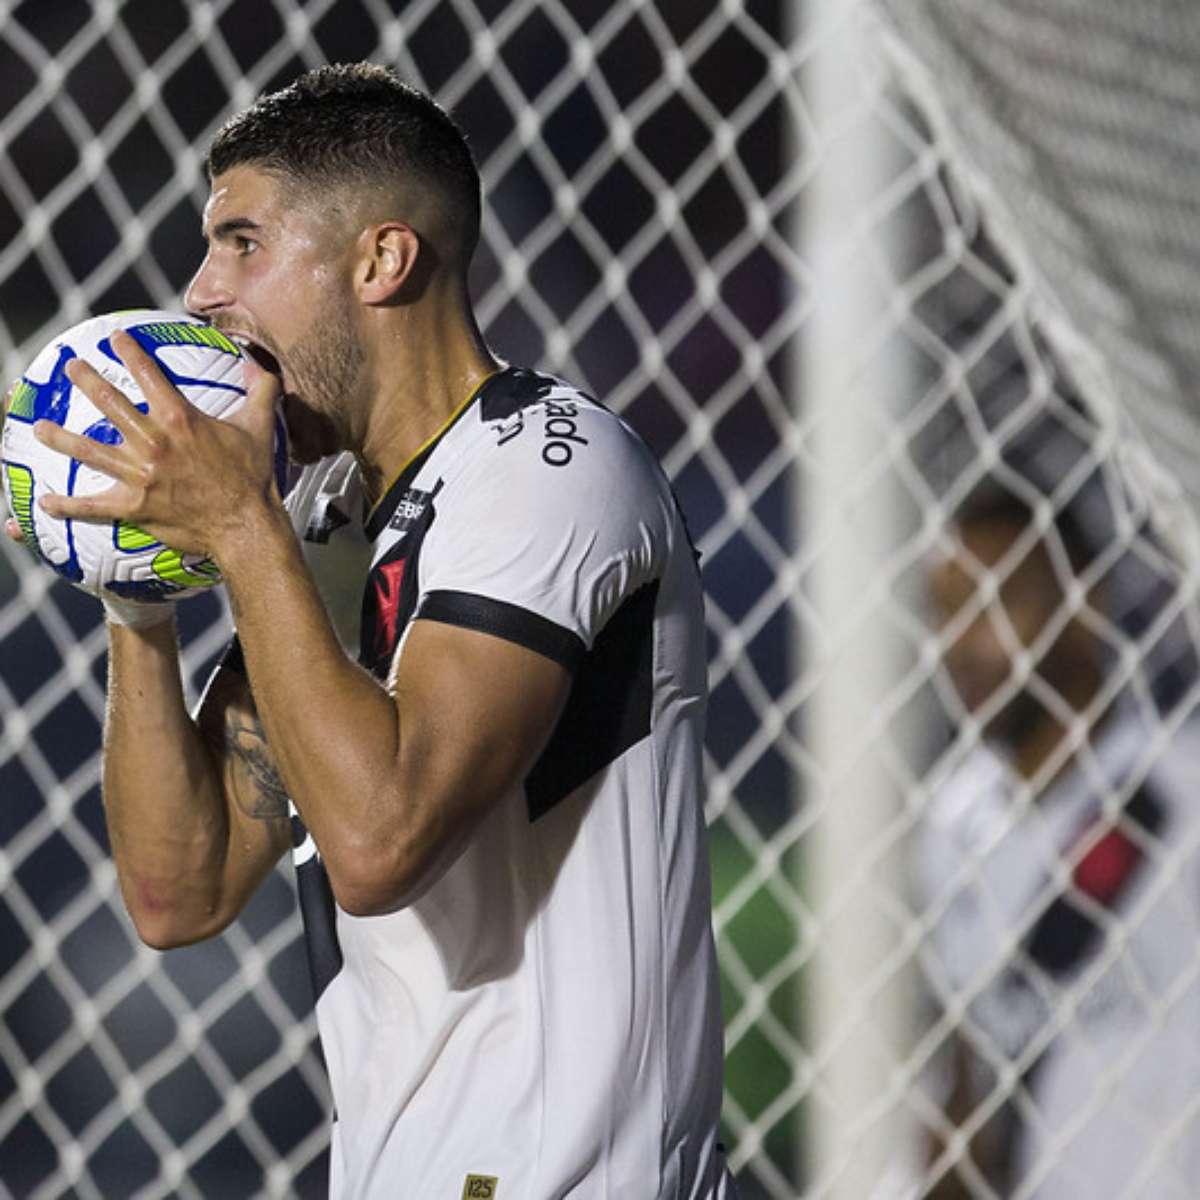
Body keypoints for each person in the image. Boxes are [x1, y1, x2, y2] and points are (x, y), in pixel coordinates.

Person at [9, 63, 736, 1199]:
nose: (200, 293)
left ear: (382, 260)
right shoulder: (328, 520)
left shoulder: (550, 468)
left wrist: (243, 534)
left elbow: (380, 843)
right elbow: (179, 893)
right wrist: (135, 592)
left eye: (242, 243)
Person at [912, 481, 1200, 1199]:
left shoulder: (1183, 790)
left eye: (992, 607)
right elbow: (968, 1076)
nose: (962, 645)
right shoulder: (952, 824)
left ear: (1083, 608)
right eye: (945, 613)